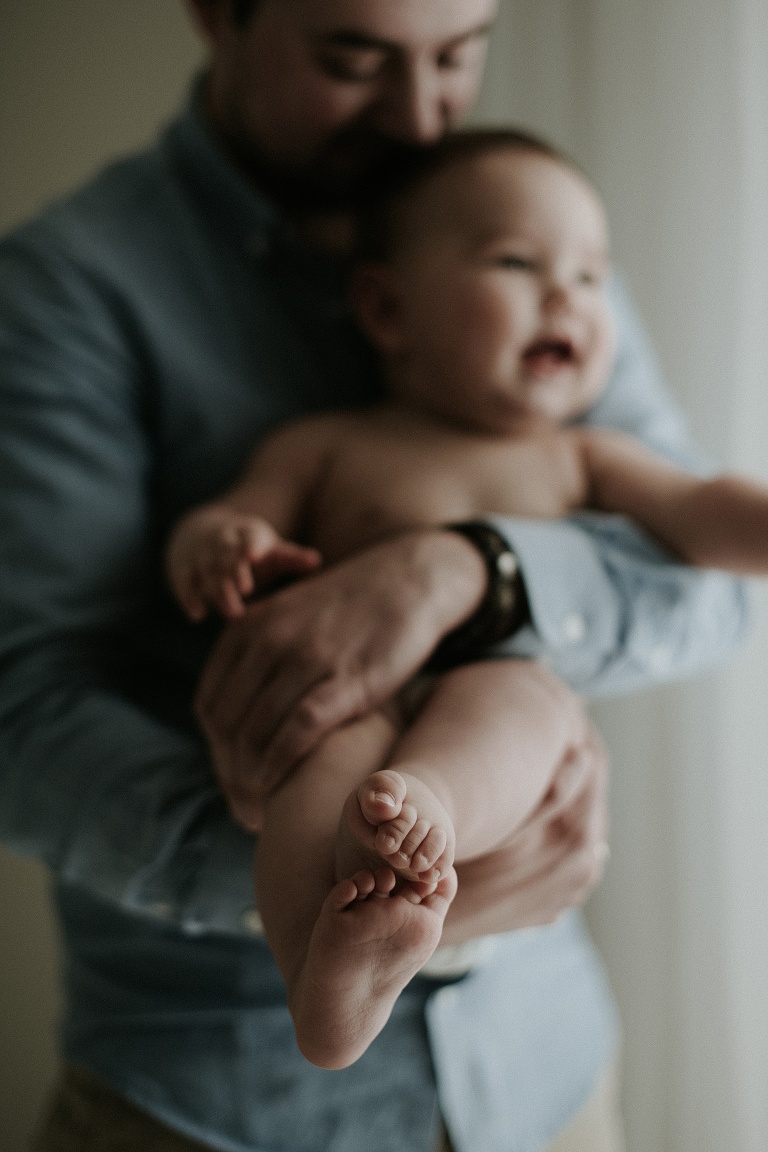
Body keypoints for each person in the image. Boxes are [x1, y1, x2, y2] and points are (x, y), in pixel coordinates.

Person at [0, 2, 747, 1151]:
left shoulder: (534, 231)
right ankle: (339, 963)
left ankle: (425, 825)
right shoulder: (68, 294)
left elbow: (707, 566)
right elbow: (27, 708)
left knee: (520, 705)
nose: (419, 113)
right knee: (331, 764)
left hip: (540, 1069)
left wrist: (474, 569)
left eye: (458, 53)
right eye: (353, 58)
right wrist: (302, 878)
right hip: (218, 1099)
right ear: (216, 14)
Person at [166, 127, 768, 1074]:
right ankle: (324, 975)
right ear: (388, 308)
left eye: (591, 275)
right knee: (309, 784)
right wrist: (222, 544)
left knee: (525, 708)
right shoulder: (325, 441)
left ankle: (427, 810)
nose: (567, 295)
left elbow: (697, 512)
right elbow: (235, 517)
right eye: (519, 263)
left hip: (490, 687)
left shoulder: (580, 452)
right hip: (343, 696)